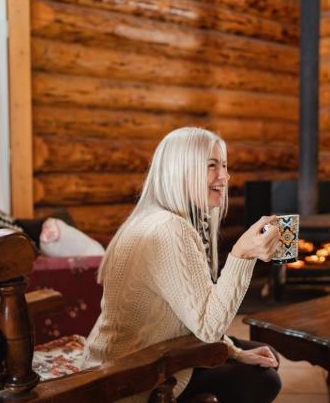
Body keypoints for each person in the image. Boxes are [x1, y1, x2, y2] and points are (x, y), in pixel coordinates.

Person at [82, 127, 282, 403]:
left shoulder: (154, 217)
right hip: (133, 378)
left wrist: (233, 351)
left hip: (146, 354)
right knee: (264, 379)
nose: (224, 177)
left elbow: (189, 317)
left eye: (224, 165)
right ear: (180, 171)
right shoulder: (169, 230)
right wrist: (242, 256)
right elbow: (207, 326)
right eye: (212, 166)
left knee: (264, 354)